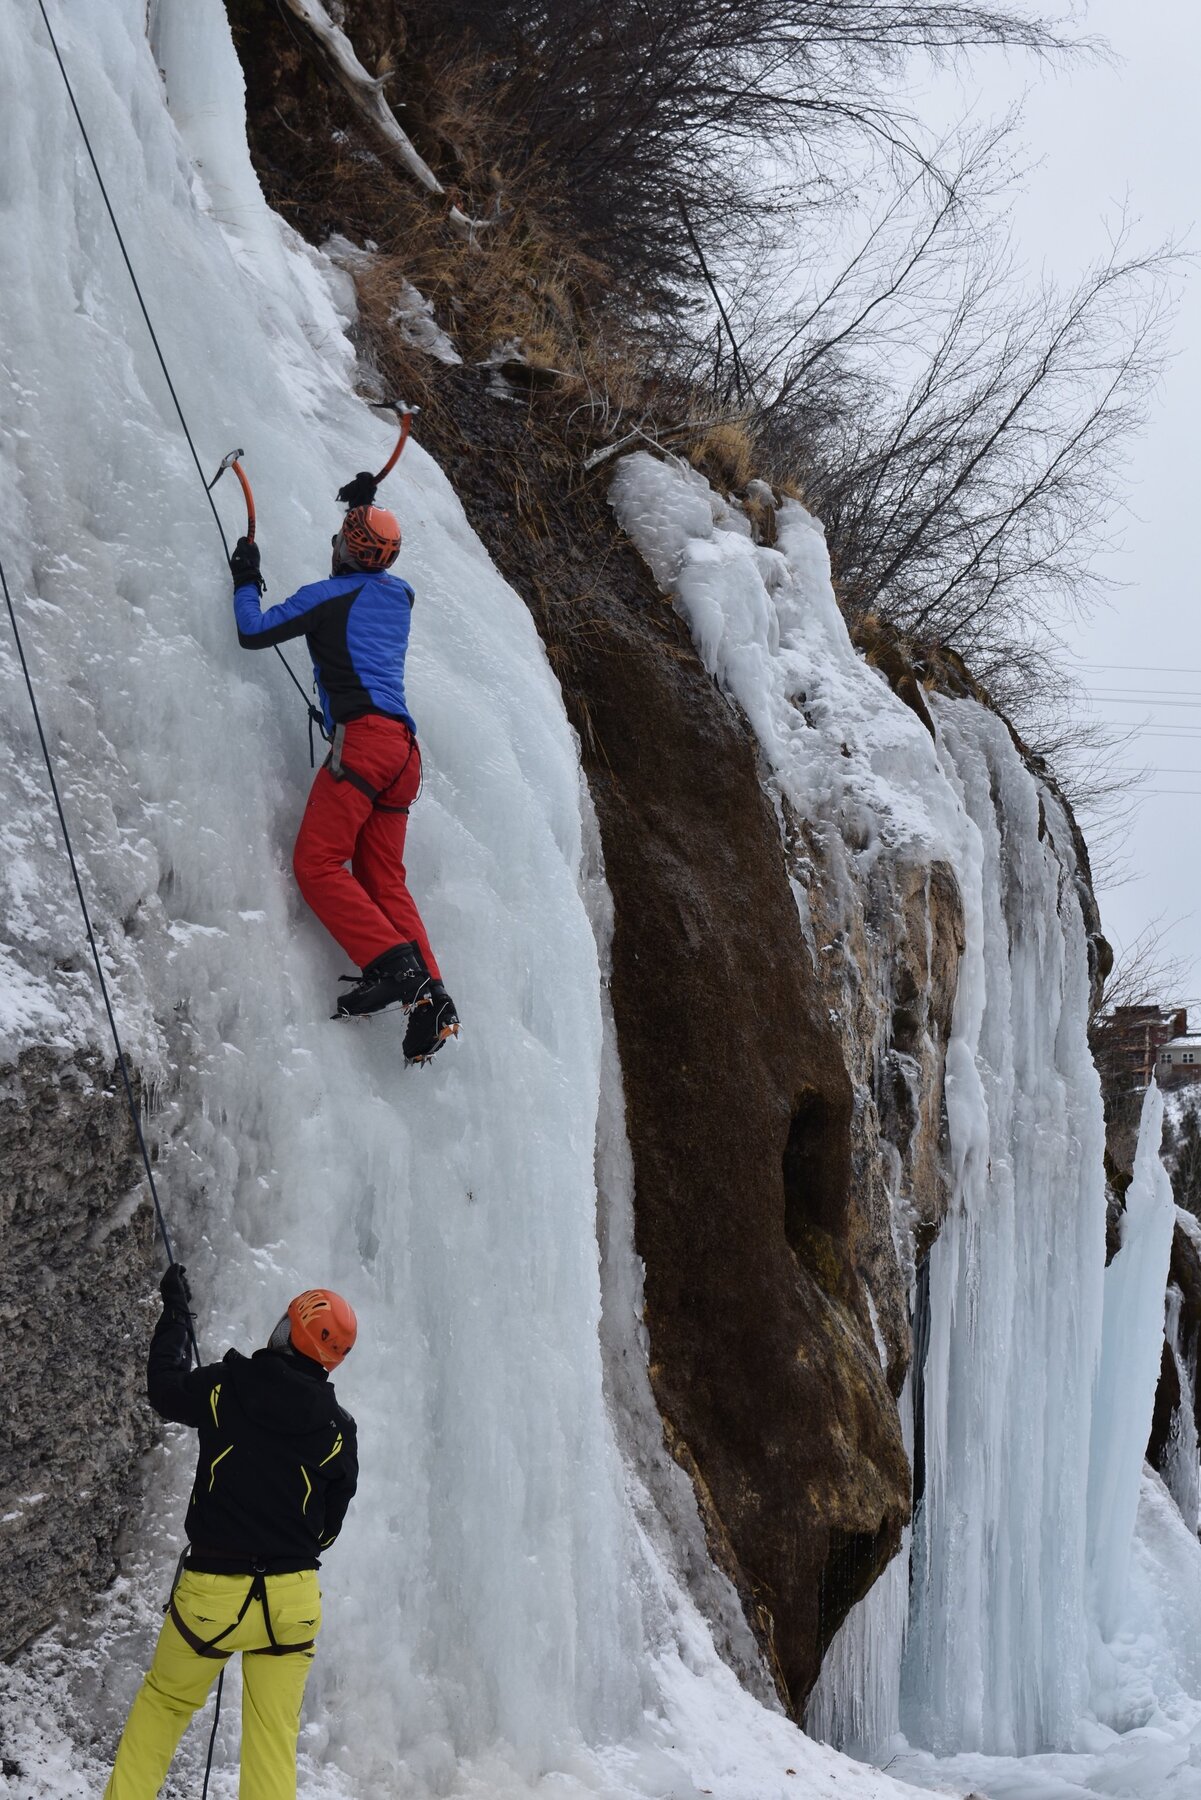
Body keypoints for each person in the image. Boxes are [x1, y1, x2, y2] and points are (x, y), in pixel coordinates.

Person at [103, 1267, 359, 1800]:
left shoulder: (225, 1386)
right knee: (272, 1738)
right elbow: (330, 1522)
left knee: (166, 1704)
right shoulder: (338, 1427)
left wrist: (176, 1316)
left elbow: (166, 1389)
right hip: (292, 1601)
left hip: (213, 1593)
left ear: (289, 1332)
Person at [230, 481, 459, 1065]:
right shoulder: (400, 594)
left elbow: (253, 631)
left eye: (341, 538)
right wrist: (369, 503)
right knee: (384, 880)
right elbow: (368, 566)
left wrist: (244, 578)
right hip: (404, 755)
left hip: (362, 745)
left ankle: (396, 969)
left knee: (317, 863)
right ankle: (434, 996)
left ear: (345, 551)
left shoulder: (326, 595)